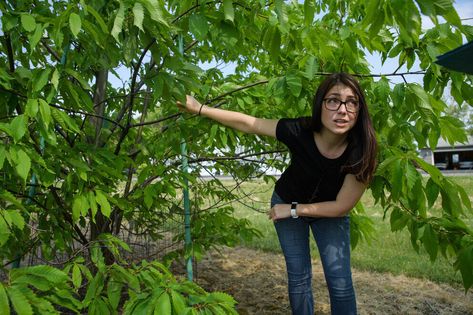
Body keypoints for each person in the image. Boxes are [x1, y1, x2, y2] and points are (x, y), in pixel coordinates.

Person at [177, 72, 378, 315]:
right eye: (333, 100)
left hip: (325, 212)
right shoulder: (300, 130)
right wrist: (201, 109)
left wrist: (294, 209)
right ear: (320, 105)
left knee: (341, 282)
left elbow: (341, 206)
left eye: (352, 102)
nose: (342, 109)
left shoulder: (363, 149)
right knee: (299, 278)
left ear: (359, 109)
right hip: (287, 200)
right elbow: (251, 123)